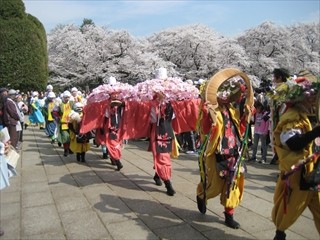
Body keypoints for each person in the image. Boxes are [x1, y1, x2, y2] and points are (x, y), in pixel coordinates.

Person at [196, 68, 254, 229]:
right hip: (218, 153)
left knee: (233, 184)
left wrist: (246, 117)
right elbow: (205, 131)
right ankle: (201, 195)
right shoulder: (211, 111)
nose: (229, 98)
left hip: (235, 152)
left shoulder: (234, 110)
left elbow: (240, 130)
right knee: (214, 185)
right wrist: (207, 114)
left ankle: (229, 214)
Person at [270, 74, 320, 240]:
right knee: (290, 208)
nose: (313, 100)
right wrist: (315, 132)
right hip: (300, 173)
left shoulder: (313, 115)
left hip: (316, 172)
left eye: (315, 96)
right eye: (310, 97)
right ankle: (280, 233)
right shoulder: (293, 116)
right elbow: (292, 143)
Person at [149, 67, 176, 196]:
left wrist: (167, 107)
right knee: (162, 157)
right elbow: (151, 119)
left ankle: (157, 174)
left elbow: (174, 118)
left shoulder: (171, 103)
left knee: (164, 156)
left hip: (168, 130)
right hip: (158, 131)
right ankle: (168, 183)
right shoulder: (151, 104)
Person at [269, 68, 290, 165]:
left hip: (279, 118)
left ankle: (279, 158)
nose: (273, 79)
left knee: (278, 138)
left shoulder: (283, 88)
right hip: (275, 117)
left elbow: (280, 104)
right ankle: (277, 157)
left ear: (280, 77)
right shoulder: (280, 88)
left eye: (274, 77)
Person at [52, 90, 74, 156]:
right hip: (63, 123)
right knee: (65, 137)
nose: (67, 98)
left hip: (71, 123)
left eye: (68, 97)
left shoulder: (72, 103)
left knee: (71, 137)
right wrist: (58, 118)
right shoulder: (59, 104)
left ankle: (70, 148)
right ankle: (66, 150)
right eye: (66, 97)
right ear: (63, 97)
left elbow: (76, 109)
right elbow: (54, 112)